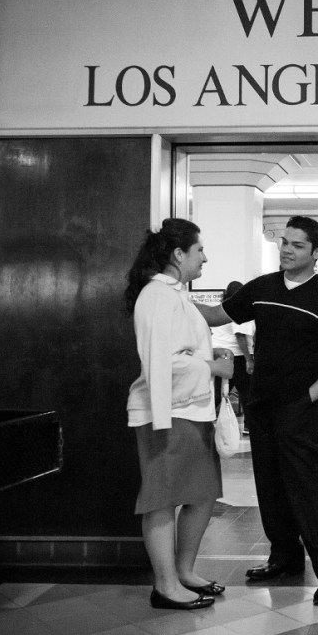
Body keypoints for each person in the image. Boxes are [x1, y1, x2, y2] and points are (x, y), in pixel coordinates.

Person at [196, 215, 318, 606]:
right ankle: (284, 558)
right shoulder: (262, 288)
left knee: (304, 488)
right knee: (269, 485)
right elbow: (217, 315)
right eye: (284, 242)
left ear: (316, 253)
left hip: (298, 408)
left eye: (297, 245)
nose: (286, 249)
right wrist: (169, 294)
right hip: (262, 404)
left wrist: (308, 398)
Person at [124, 218, 232, 610]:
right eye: (199, 250)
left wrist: (209, 357)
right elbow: (162, 362)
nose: (206, 257)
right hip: (166, 411)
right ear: (178, 254)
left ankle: (184, 571)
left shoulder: (176, 295)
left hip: (191, 409)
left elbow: (183, 350)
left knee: (201, 494)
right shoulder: (157, 296)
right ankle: (165, 584)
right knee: (162, 498)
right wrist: (212, 368)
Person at [211, 280, 254, 415]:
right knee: (247, 391)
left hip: (217, 354)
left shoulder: (221, 307)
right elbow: (240, 336)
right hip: (236, 355)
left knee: (217, 391)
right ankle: (249, 424)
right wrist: (249, 359)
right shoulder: (238, 308)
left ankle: (206, 417)